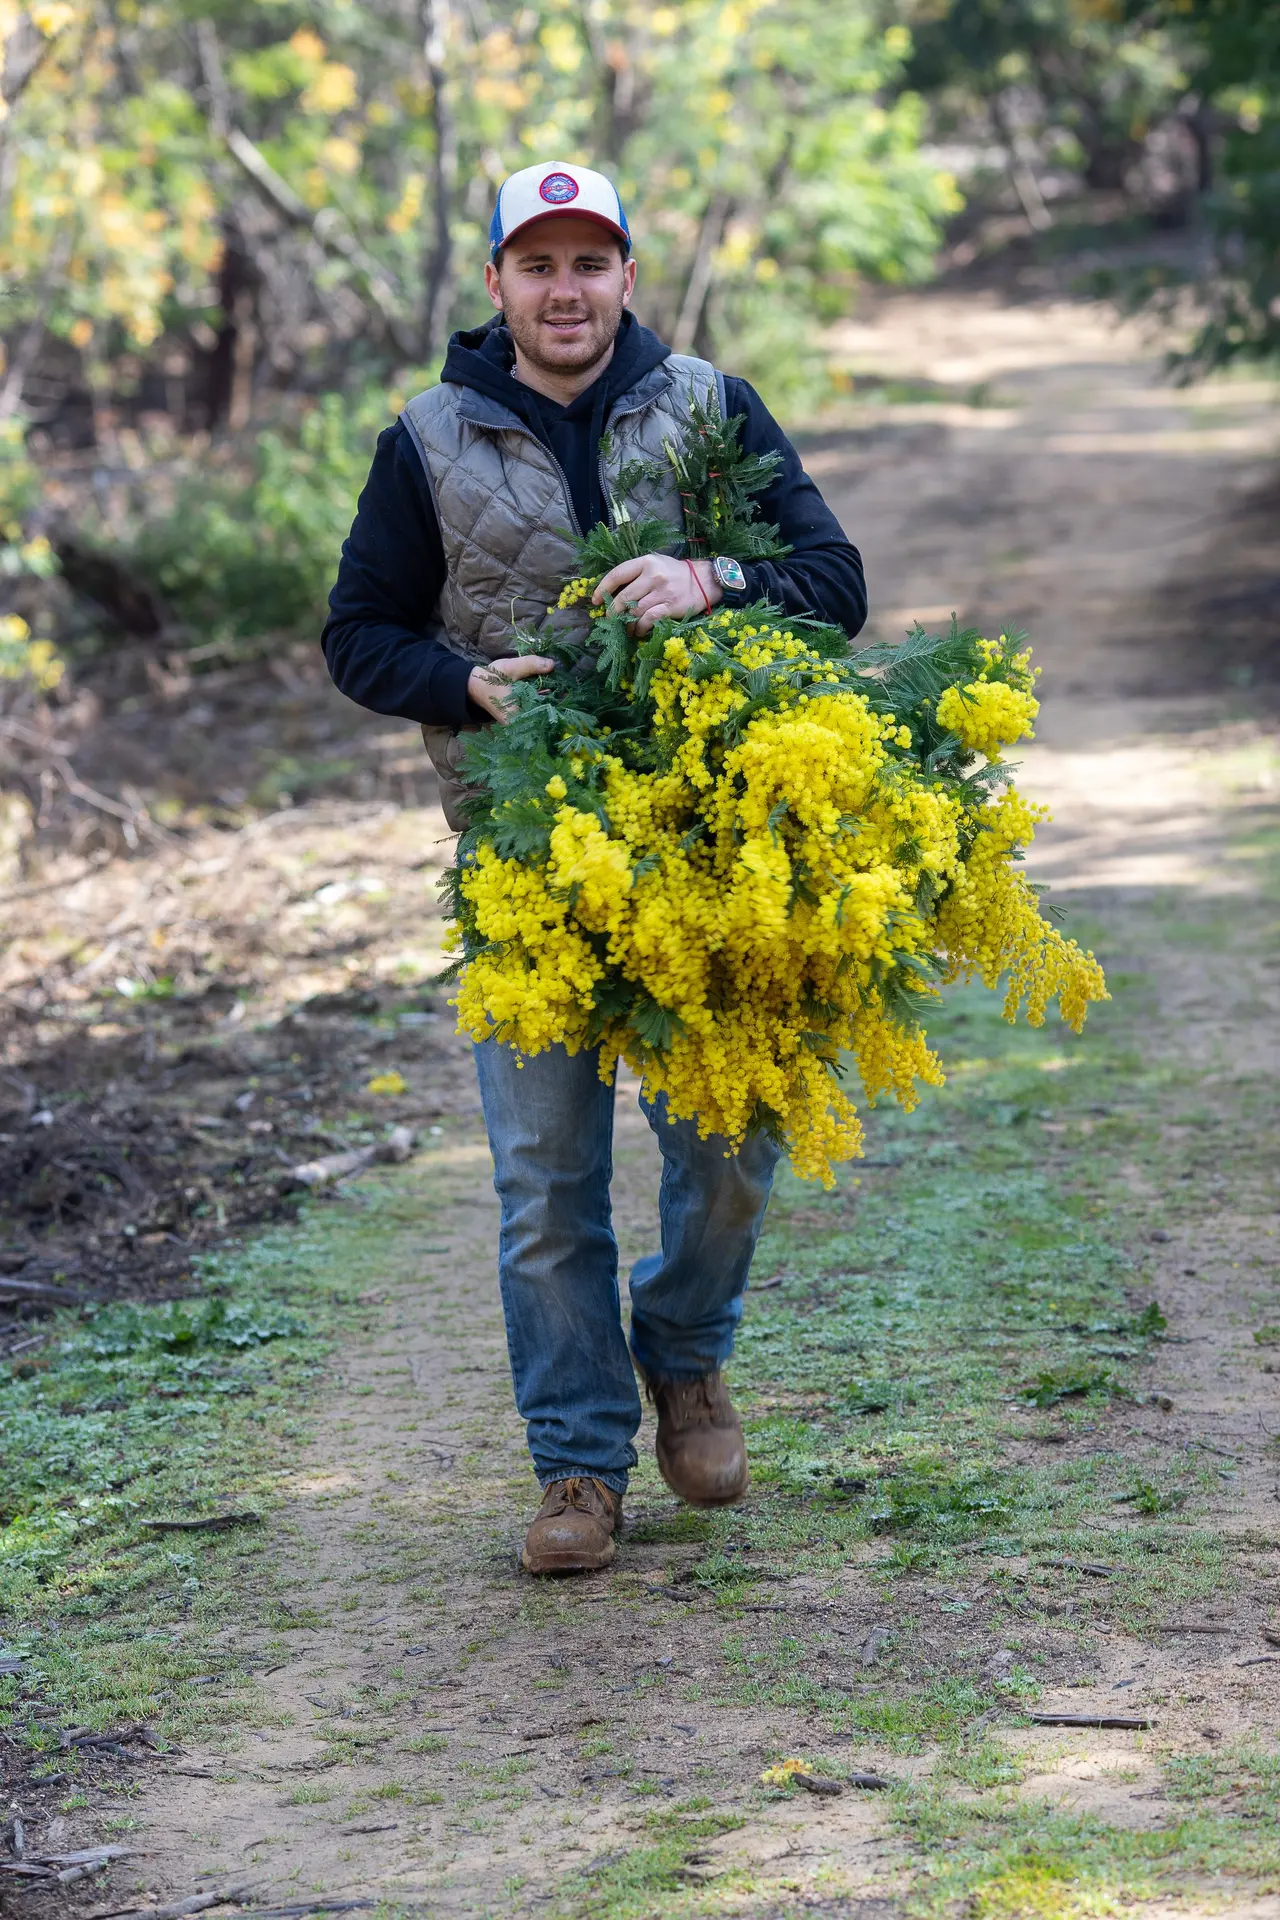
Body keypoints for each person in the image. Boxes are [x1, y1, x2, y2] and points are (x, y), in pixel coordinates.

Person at [323, 162, 867, 1575]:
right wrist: (461, 685)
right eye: (537, 264)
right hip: (527, 864)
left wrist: (715, 580)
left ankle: (683, 1354)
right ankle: (577, 1469)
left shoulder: (709, 405)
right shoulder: (426, 440)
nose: (565, 290)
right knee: (545, 1182)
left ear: (629, 276)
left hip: (713, 850)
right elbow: (358, 635)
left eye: (591, 262)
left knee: (735, 1149)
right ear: (497, 285)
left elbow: (837, 583)